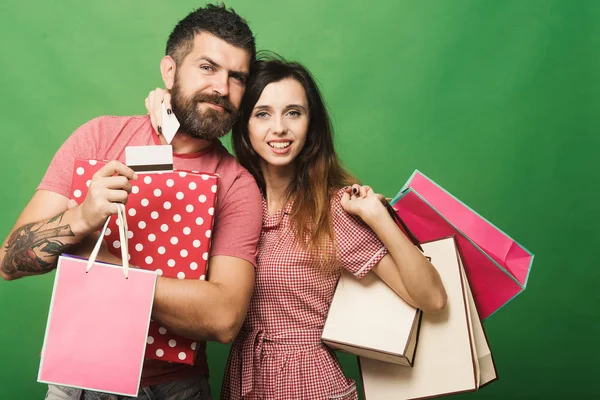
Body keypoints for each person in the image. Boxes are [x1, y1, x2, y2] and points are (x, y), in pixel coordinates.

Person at [0, 4, 263, 400]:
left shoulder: (237, 184)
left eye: (236, 77)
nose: (223, 89)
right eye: (208, 68)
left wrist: (110, 273)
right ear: (170, 71)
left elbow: (225, 318)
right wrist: (80, 218)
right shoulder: (99, 138)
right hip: (80, 377)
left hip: (177, 387)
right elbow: (8, 260)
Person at [146, 56, 447, 399]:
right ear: (243, 124)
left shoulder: (332, 209)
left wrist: (378, 216)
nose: (279, 128)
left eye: (294, 112)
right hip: (243, 381)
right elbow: (161, 218)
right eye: (263, 114)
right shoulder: (232, 200)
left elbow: (432, 298)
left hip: (309, 383)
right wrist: (171, 111)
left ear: (311, 124)